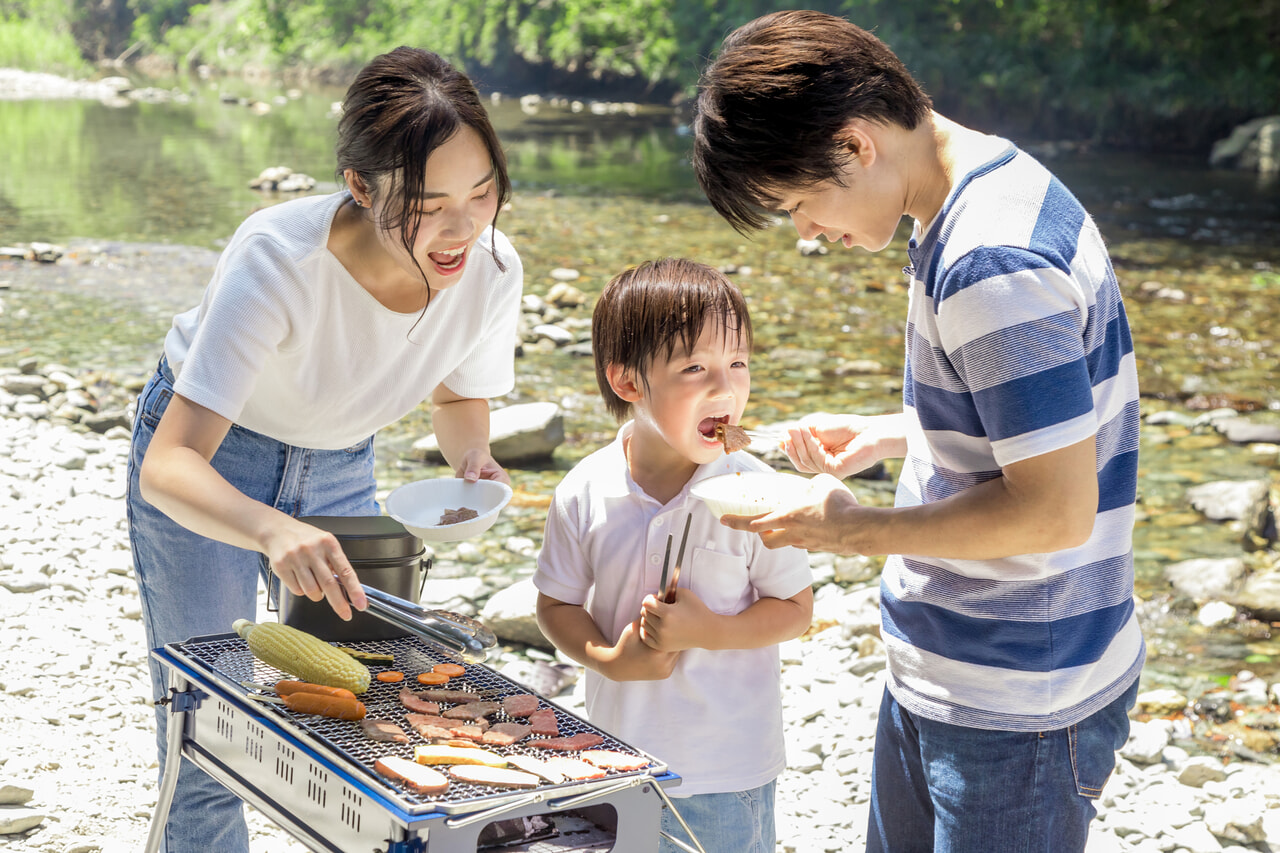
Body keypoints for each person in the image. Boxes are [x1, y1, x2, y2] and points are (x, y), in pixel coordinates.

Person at [691, 11, 1143, 853]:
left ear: (857, 146)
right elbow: (1039, 416)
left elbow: (1054, 512)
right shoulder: (989, 185)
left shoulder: (990, 261)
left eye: (800, 203)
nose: (806, 233)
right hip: (966, 671)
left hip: (1018, 705)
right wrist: (894, 432)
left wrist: (853, 530)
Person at [126, 47, 522, 852]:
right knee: (213, 723)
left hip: (342, 460)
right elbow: (168, 467)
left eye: (481, 194)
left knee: (369, 707)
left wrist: (472, 459)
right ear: (359, 186)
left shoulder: (490, 265)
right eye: (429, 203)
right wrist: (271, 528)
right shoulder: (278, 257)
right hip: (216, 461)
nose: (462, 228)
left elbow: (455, 392)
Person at [533, 258, 814, 853]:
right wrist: (609, 659)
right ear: (630, 383)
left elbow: (794, 607)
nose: (726, 387)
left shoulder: (755, 487)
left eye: (738, 364)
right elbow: (556, 603)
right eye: (695, 368)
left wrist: (710, 630)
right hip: (614, 760)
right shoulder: (584, 489)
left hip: (725, 769)